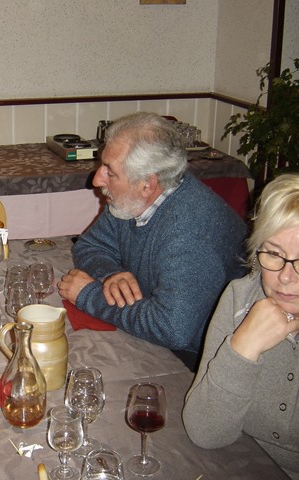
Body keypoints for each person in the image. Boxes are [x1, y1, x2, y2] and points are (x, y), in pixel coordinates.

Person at [182, 172, 299, 479]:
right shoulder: (239, 299)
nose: (285, 276)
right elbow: (205, 433)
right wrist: (243, 347)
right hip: (238, 465)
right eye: (274, 253)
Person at [57, 112, 247, 370]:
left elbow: (172, 329)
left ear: (147, 184)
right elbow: (90, 245)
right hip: (156, 335)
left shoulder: (190, 230)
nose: (96, 179)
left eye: (109, 172)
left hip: (199, 359)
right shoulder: (130, 202)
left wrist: (90, 296)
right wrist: (111, 275)